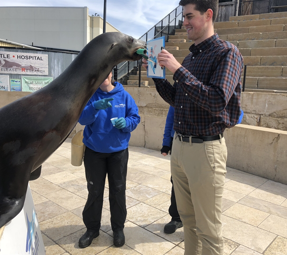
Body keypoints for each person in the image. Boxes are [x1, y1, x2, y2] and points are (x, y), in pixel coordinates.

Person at [143, 0, 243, 254]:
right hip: (180, 147)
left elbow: (217, 100)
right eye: (183, 16)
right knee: (188, 222)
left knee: (208, 230)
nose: (184, 22)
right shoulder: (190, 58)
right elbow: (179, 100)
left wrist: (177, 70)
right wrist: (157, 77)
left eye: (189, 16)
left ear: (208, 15)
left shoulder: (227, 53)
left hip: (205, 151)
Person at [77, 72, 140, 249]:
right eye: (101, 73)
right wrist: (94, 107)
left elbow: (135, 118)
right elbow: (82, 119)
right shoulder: (90, 96)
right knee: (94, 190)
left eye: (107, 73)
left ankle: (118, 229)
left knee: (118, 191)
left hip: (118, 153)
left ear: (112, 74)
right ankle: (92, 229)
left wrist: (126, 123)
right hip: (94, 152)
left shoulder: (124, 96)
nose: (104, 76)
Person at [161, 106, 183, 234]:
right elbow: (170, 120)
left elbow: (236, 114)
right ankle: (176, 217)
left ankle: (198, 221)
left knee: (198, 184)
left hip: (201, 144)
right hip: (178, 142)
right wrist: (166, 143)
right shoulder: (179, 90)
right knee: (176, 181)